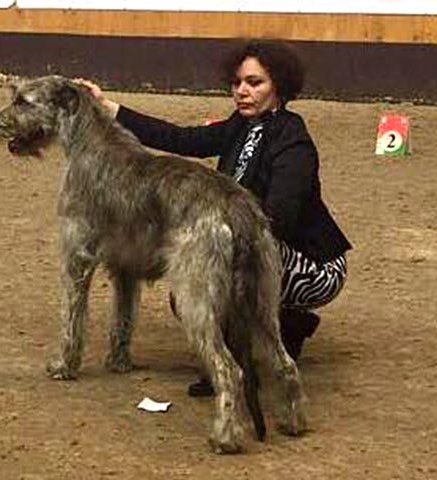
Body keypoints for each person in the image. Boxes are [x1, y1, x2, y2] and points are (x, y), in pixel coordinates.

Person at [77, 39, 352, 397]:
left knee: (210, 277)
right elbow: (181, 138)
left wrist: (210, 243)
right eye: (237, 83)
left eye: (255, 83)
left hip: (312, 264)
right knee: (191, 287)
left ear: (279, 86)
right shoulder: (241, 125)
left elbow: (277, 220)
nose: (242, 91)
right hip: (253, 239)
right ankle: (276, 331)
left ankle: (244, 353)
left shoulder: (293, 142)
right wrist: (109, 107)